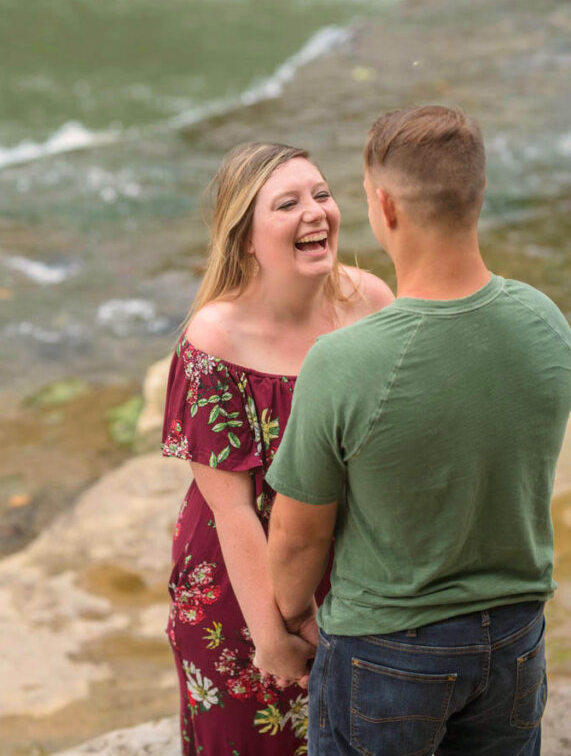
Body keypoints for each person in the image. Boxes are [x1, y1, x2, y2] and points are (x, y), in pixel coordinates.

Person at [261, 105, 571, 756]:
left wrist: (290, 617)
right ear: (479, 193)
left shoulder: (345, 361)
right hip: (515, 637)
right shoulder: (544, 321)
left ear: (384, 207)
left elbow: (297, 533)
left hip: (387, 647)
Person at [161, 142, 394, 756]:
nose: (315, 212)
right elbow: (231, 509)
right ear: (244, 239)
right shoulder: (215, 339)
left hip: (354, 579)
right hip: (243, 592)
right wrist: (271, 633)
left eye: (321, 194)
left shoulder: (370, 303)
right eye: (287, 203)